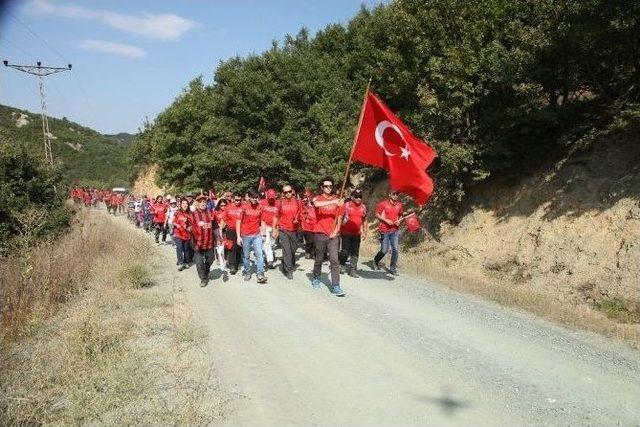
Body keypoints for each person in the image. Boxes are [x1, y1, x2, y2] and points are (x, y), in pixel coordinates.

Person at [310, 177, 345, 296]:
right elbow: (316, 204)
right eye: (326, 186)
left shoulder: (338, 200)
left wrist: (336, 230)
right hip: (320, 233)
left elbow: (340, 217)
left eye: (330, 186)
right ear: (322, 187)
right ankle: (316, 277)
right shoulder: (317, 198)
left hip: (333, 235)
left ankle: (336, 286)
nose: (328, 188)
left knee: (334, 260)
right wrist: (333, 202)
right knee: (319, 258)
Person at [236, 189, 268, 284]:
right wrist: (238, 236)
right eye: (252, 197)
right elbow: (238, 221)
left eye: (256, 197)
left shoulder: (261, 207)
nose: (254, 199)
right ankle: (247, 272)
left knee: (259, 254)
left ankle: (260, 274)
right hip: (245, 235)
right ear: (249, 197)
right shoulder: (243, 207)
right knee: (246, 256)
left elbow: (263, 221)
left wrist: (264, 234)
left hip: (257, 235)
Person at [373, 190, 404, 275]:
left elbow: (401, 215)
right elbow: (377, 214)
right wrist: (386, 220)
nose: (395, 195)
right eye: (394, 194)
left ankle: (392, 269)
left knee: (395, 249)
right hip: (384, 230)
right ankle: (376, 260)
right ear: (389, 194)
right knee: (384, 250)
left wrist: (399, 221)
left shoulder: (399, 205)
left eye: (397, 194)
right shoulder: (383, 204)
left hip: (395, 230)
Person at [339, 189, 368, 277]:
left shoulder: (363, 207)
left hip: (357, 233)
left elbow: (365, 220)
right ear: (352, 197)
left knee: (355, 252)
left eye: (360, 197)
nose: (358, 198)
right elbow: (340, 217)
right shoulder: (346, 205)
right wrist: (338, 229)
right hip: (345, 232)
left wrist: (365, 231)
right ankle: (342, 264)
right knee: (345, 251)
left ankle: (353, 270)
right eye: (356, 197)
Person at [274, 184, 300, 280]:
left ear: (292, 191)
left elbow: (300, 213)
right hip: (283, 228)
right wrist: (274, 229)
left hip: (294, 229)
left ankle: (285, 261)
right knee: (286, 249)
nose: (288, 194)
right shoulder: (280, 203)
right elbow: (276, 217)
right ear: (283, 193)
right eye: (286, 192)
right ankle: (289, 269)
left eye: (290, 191)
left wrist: (298, 219)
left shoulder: (297, 202)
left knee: (294, 248)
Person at [190, 195, 215, 286]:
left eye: (204, 202)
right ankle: (203, 279)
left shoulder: (210, 213)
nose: (203, 203)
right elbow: (189, 227)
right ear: (197, 203)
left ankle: (206, 271)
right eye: (201, 202)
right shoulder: (193, 215)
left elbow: (215, 227)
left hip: (209, 243)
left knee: (211, 259)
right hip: (197, 244)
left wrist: (218, 239)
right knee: (199, 262)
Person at [223, 194, 244, 275]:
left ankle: (237, 264)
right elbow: (223, 219)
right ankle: (232, 265)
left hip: (241, 230)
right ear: (233, 199)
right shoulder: (228, 207)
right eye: (236, 200)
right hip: (231, 230)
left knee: (239, 248)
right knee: (231, 248)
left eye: (239, 200)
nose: (238, 202)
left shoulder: (243, 207)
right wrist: (221, 231)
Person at [260, 189, 279, 269]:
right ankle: (270, 261)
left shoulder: (278, 203)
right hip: (265, 225)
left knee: (273, 244)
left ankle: (269, 255)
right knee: (266, 243)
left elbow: (280, 216)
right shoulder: (262, 202)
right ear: (267, 196)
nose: (271, 199)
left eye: (272, 198)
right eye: (269, 198)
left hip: (275, 226)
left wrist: (277, 228)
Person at [173, 198, 193, 271]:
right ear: (180, 205)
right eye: (183, 203)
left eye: (186, 204)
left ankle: (186, 261)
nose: (185, 205)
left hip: (187, 234)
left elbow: (193, 224)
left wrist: (190, 227)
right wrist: (177, 225)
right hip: (178, 233)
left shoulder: (190, 213)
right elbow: (173, 222)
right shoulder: (177, 213)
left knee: (186, 249)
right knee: (179, 247)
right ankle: (180, 262)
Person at [301, 189, 316, 259]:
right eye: (305, 196)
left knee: (314, 241)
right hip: (307, 226)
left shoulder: (315, 203)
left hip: (315, 225)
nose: (306, 197)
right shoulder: (303, 203)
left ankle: (313, 253)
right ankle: (308, 251)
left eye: (308, 196)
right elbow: (301, 212)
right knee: (309, 241)